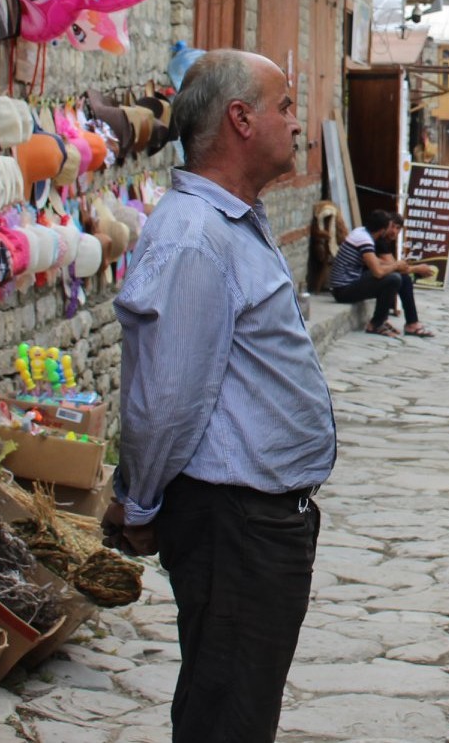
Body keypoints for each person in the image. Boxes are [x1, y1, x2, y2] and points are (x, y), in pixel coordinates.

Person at [105, 49, 338, 743]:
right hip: (233, 522)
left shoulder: (232, 221)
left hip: (258, 519)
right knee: (225, 718)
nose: (298, 124)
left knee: (236, 708)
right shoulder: (194, 237)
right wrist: (140, 502)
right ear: (240, 118)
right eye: (286, 106)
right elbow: (166, 395)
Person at [330, 209, 437, 337]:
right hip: (343, 290)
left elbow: (379, 263)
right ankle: (376, 324)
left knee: (399, 277)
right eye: (390, 227)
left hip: (348, 283)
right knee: (394, 279)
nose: (393, 232)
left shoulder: (361, 233)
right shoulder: (365, 241)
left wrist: (397, 266)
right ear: (382, 230)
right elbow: (378, 272)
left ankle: (406, 322)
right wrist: (399, 266)